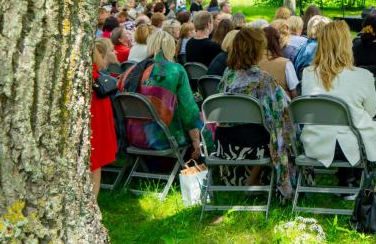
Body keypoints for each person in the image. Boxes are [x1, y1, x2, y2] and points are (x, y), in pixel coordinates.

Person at [214, 27, 294, 198]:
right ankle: (255, 180)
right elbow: (281, 111)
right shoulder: (263, 80)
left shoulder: (227, 75)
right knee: (283, 132)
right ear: (256, 50)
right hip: (252, 145)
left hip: (224, 140)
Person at [300, 20, 376, 174]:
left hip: (316, 142)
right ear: (348, 44)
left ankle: (348, 177)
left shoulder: (308, 74)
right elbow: (371, 111)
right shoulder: (363, 76)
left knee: (353, 127)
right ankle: (351, 177)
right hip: (354, 144)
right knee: (372, 127)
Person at [118, 30, 210, 160]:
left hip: (134, 136)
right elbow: (188, 111)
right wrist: (196, 140)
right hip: (165, 137)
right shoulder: (175, 70)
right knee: (208, 124)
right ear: (171, 47)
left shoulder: (129, 71)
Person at [89, 40, 118, 197]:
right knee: (95, 161)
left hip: (95, 106)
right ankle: (93, 201)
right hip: (96, 108)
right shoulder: (95, 79)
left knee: (94, 160)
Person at [258, 26, 300, 97]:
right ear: (277, 42)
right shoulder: (285, 64)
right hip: (280, 107)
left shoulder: (250, 62)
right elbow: (295, 93)